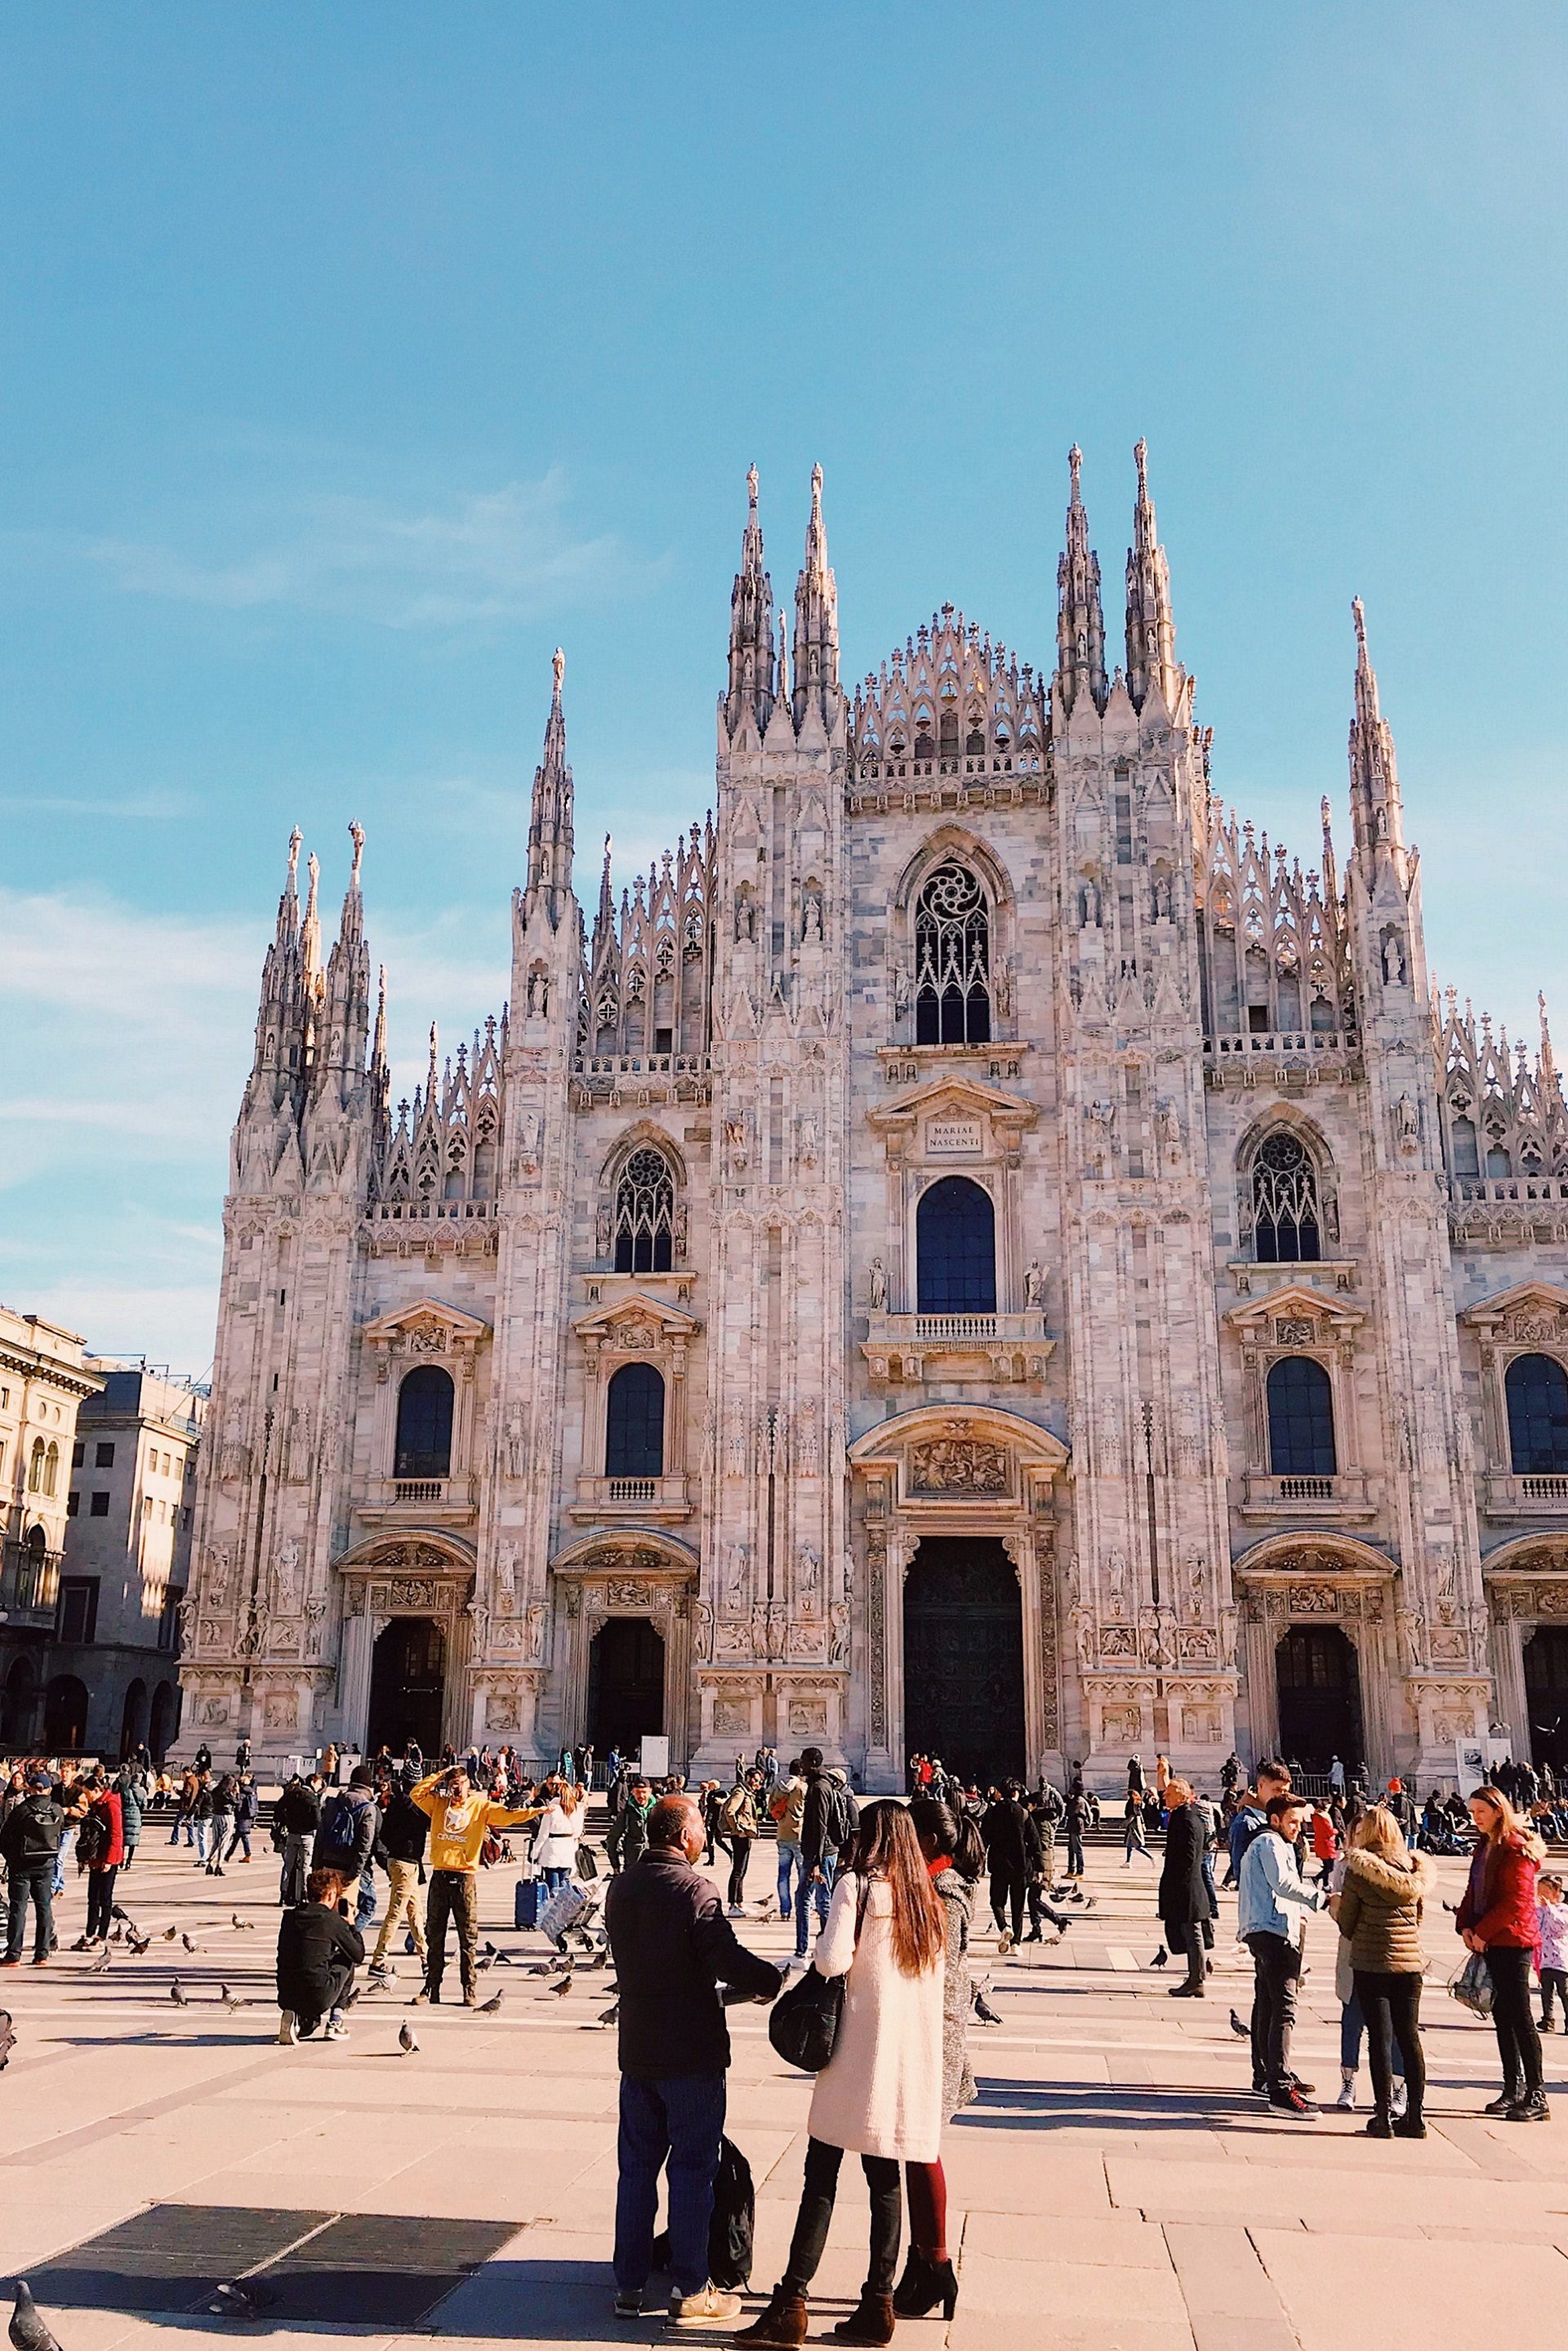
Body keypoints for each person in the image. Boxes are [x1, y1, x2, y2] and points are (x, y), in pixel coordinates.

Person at [742, 1802, 946, 2350]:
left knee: (821, 2179)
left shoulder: (860, 1885)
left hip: (856, 2057)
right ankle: (879, 2304)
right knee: (885, 2183)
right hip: (901, 2064)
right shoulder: (926, 1898)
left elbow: (831, 1960)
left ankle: (791, 2303)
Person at [604, 1793, 781, 2329]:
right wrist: (769, 1979)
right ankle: (691, 2286)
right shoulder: (693, 1888)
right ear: (684, 1836)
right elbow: (723, 1957)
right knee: (692, 2171)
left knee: (635, 2170)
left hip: (638, 2052)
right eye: (702, 1826)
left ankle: (629, 2285)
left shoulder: (622, 1885)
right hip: (691, 2055)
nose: (706, 1834)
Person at [894, 1797, 982, 2322]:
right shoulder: (930, 1889)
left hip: (931, 2041)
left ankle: (935, 2265)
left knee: (921, 2150)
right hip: (925, 2037)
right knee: (914, 2151)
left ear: (926, 1841)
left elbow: (940, 1980)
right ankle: (924, 2262)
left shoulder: (942, 1896)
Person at [1330, 1803, 1428, 2138]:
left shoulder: (1359, 1870)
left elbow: (1348, 1924)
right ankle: (1415, 2117)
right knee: (1410, 2038)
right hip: (1410, 1965)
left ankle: (1383, 2118)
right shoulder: (1414, 1868)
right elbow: (1418, 1917)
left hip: (1373, 1963)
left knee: (1380, 2040)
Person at [410, 1763, 540, 2006]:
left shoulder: (480, 1806)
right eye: (452, 1785)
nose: (456, 1789)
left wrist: (534, 1812)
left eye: (460, 1784)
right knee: (434, 1935)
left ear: (470, 1785)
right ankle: (431, 1987)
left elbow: (508, 1816)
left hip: (464, 1879)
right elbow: (416, 1794)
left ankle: (469, 1989)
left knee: (467, 1938)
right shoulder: (438, 1804)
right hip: (440, 1876)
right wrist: (440, 1774)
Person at [1457, 1783, 1550, 2120]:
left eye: (1481, 1811)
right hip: (1492, 1940)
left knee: (1521, 2017)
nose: (1475, 1817)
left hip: (1514, 1942)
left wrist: (1482, 1932)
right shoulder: (1485, 1846)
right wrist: (1465, 1926)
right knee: (1502, 2017)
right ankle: (1513, 2087)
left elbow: (1517, 1902)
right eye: (1472, 1812)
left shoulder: (1515, 1848)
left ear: (1499, 1811)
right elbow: (1473, 1891)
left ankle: (1537, 2094)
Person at [1238, 1790, 1327, 2117]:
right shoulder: (1270, 1844)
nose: (1298, 1829)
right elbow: (1283, 1885)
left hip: (1263, 1928)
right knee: (1284, 2008)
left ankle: (1265, 2076)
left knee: (1267, 2003)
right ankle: (1279, 2087)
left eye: (1300, 1823)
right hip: (1274, 1932)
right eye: (1293, 1822)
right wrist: (1323, 1899)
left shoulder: (1265, 1844)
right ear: (1274, 1819)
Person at [276, 1865, 364, 2043]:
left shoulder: (290, 1917)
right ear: (331, 1894)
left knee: (307, 1958)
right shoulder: (330, 1920)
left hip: (287, 1993)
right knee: (347, 1958)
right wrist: (351, 1925)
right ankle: (335, 2022)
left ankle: (296, 2020)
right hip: (317, 1994)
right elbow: (358, 1954)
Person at [0, 1768, 69, 1966]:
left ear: (30, 1789)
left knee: (18, 1908)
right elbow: (60, 1831)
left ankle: (14, 1954)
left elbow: (4, 1837)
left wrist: (12, 1858)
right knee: (44, 1907)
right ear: (48, 1790)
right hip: (46, 1864)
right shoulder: (56, 1809)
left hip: (21, 1865)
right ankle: (42, 1953)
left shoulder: (22, 1810)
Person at [369, 1769, 430, 1982]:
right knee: (396, 1913)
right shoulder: (414, 1807)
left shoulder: (396, 1804)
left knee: (415, 1913)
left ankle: (426, 1960)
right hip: (406, 1863)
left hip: (399, 1863)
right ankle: (377, 1961)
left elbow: (383, 1834)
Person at [1157, 1780, 1212, 1997]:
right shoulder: (1185, 1817)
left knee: (1193, 1934)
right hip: (1187, 1886)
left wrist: (1176, 1885)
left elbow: (1188, 1857)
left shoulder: (1186, 1820)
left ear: (1181, 1796)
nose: (1164, 1797)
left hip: (1187, 1887)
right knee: (1191, 1934)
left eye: (1169, 1793)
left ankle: (1197, 1980)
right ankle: (1195, 1978)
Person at [981, 1779, 1044, 1948]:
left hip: (999, 1865)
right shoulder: (1023, 1814)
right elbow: (1035, 1841)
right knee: (1018, 1906)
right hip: (1020, 1866)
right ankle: (1016, 1943)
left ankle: (1004, 1926)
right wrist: (1039, 1868)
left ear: (1000, 1793)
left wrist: (979, 1861)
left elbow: (983, 1839)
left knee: (997, 1902)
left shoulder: (992, 1812)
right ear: (1016, 1793)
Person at [797, 1748, 844, 1959]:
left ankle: (813, 1950)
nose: (801, 1765)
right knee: (815, 1900)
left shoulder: (818, 1788)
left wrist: (815, 1862)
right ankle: (824, 1948)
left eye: (804, 1761)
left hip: (819, 1855)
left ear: (813, 1762)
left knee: (817, 1902)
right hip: (823, 1852)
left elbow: (819, 1826)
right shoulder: (822, 1786)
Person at [531, 1776, 587, 1895]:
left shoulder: (552, 1809)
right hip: (568, 1847)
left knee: (552, 1885)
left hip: (552, 1848)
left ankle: (553, 1906)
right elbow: (578, 1832)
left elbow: (543, 1833)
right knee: (564, 1883)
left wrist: (535, 1852)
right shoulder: (577, 1809)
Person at [771, 1758, 808, 1936]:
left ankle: (785, 1909)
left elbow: (771, 1807)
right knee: (804, 1875)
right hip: (799, 1834)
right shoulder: (802, 1788)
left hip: (782, 1834)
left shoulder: (778, 1786)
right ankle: (803, 1906)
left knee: (783, 1874)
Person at [275, 1771, 322, 1908]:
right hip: (307, 1835)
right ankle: (304, 1895)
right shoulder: (311, 1798)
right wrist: (310, 1828)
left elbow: (278, 1810)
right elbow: (317, 1819)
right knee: (305, 1866)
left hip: (292, 1834)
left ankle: (283, 1895)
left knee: (287, 1866)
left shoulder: (291, 1795)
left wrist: (288, 1821)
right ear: (313, 1783)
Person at [718, 1772, 760, 1914]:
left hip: (745, 1835)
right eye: (755, 1780)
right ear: (748, 1778)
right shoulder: (740, 1792)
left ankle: (739, 1903)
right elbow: (730, 1811)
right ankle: (732, 1905)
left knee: (742, 1871)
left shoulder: (747, 1792)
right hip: (740, 1836)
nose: (756, 1783)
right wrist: (737, 1829)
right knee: (737, 1871)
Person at [1538, 1872, 1568, 2033]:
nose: (1541, 1896)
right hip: (1545, 1959)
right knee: (1546, 1992)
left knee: (1564, 1991)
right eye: (1539, 1891)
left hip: (1560, 1959)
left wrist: (1549, 1908)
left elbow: (1559, 1926)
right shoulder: (1540, 1911)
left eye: (1546, 1892)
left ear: (1556, 1893)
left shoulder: (1563, 1909)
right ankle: (1547, 2019)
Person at [1121, 1789, 1155, 1868]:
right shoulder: (1137, 1802)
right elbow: (1139, 1813)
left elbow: (1132, 1814)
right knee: (1129, 1844)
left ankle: (1151, 1857)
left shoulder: (1131, 1802)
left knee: (1137, 1845)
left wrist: (1125, 1823)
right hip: (1135, 1823)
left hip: (1133, 1825)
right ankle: (1128, 1861)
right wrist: (1143, 1823)